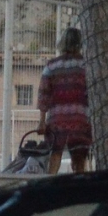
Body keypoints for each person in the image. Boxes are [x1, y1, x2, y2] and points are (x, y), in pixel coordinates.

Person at [39, 27, 93, 172]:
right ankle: (78, 190)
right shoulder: (87, 65)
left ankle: (51, 189)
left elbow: (44, 94)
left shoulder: (51, 65)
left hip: (57, 120)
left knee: (55, 156)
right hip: (81, 119)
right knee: (79, 160)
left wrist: (41, 122)